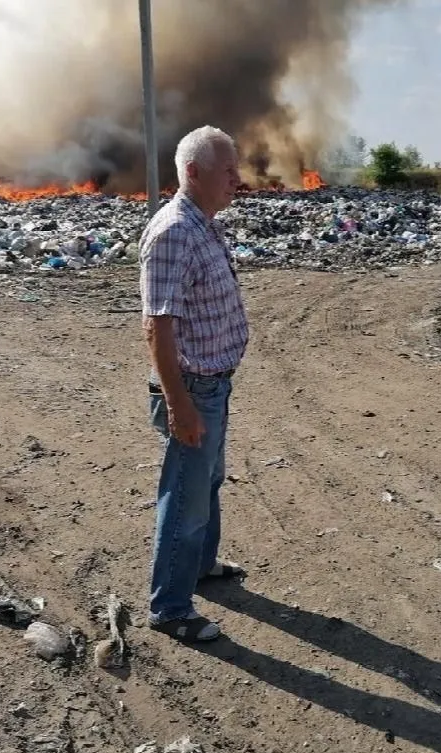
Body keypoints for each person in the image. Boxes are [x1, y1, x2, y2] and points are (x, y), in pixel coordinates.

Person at [138, 125, 249, 643]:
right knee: (184, 499)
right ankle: (171, 608)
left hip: (214, 385)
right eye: (228, 169)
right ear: (193, 172)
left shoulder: (202, 224)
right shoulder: (174, 232)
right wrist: (180, 406)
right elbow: (157, 325)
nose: (237, 178)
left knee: (207, 484)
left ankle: (201, 567)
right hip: (192, 390)